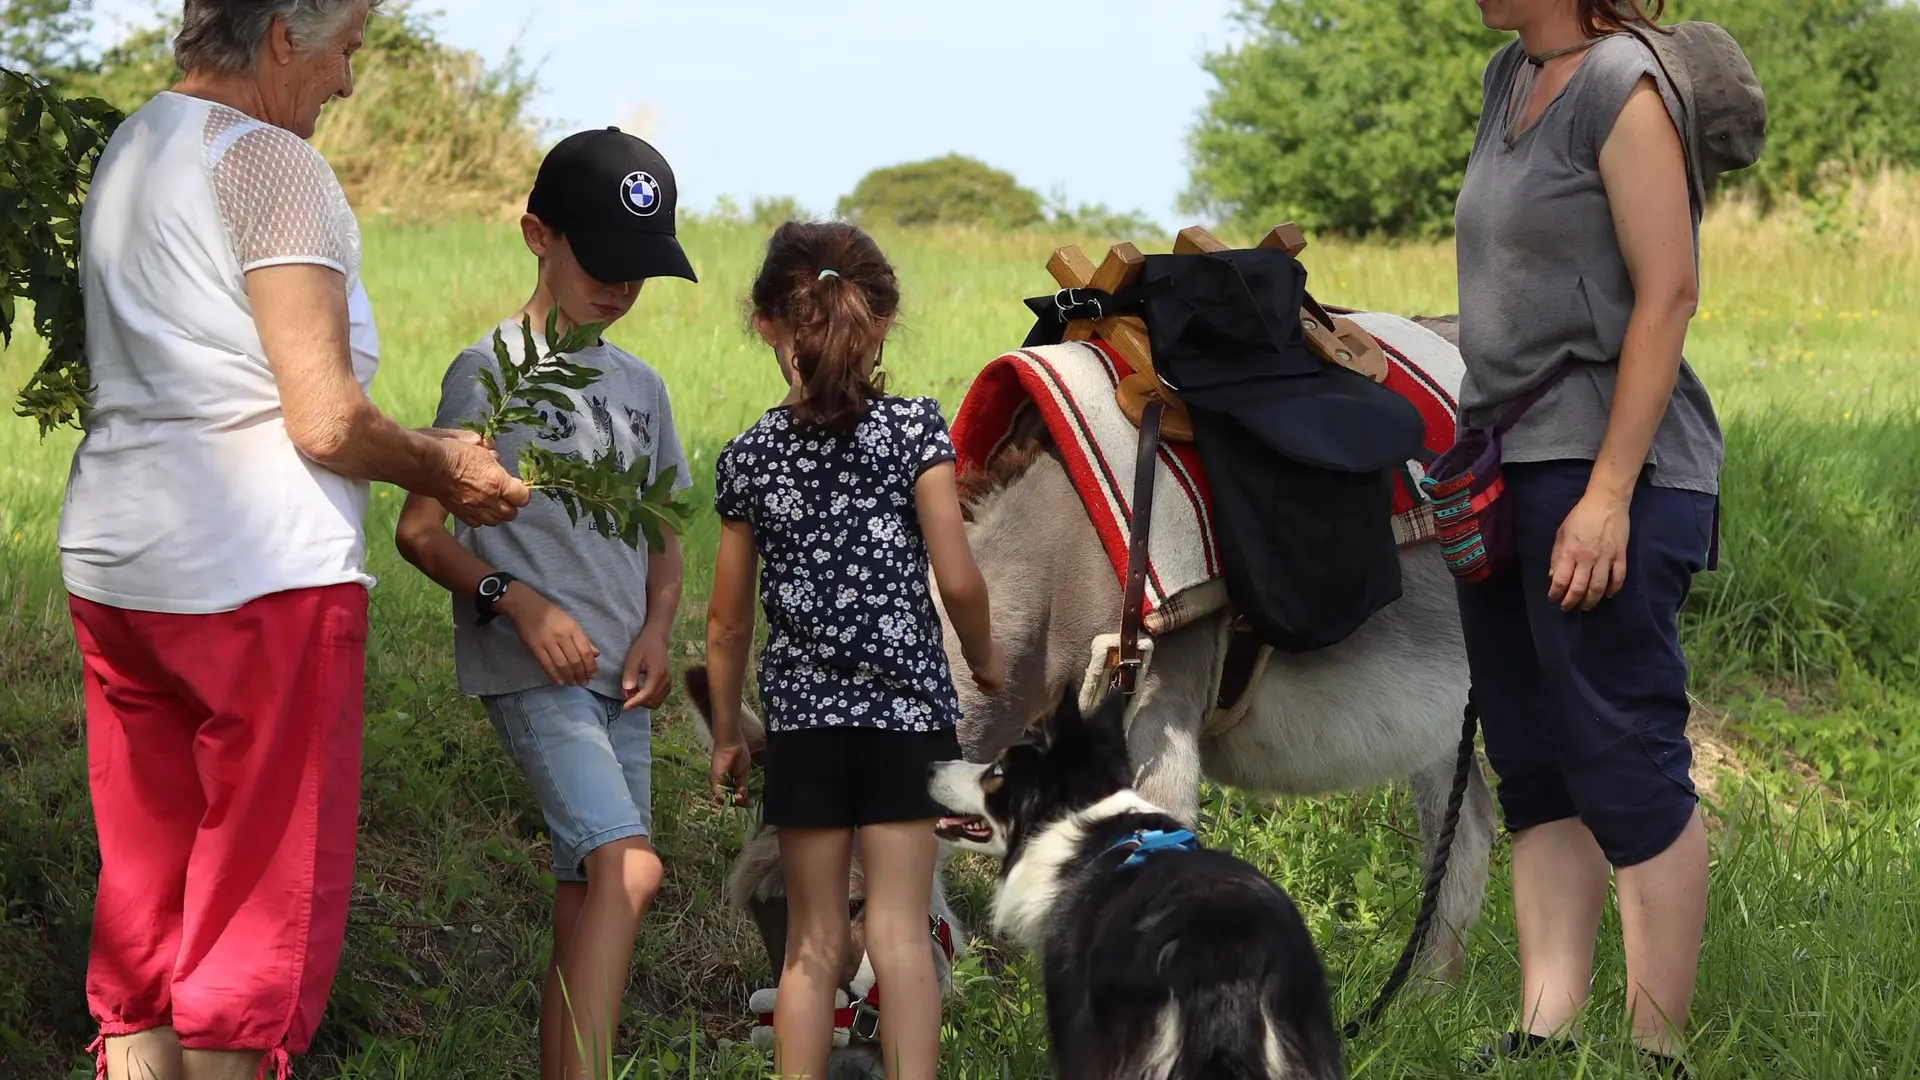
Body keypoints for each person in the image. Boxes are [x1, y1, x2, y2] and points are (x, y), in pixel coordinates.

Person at [57, 3, 529, 1079]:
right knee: (253, 920)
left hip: (117, 567)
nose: (350, 80)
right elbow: (322, 418)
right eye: (347, 48)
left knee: (145, 902)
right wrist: (440, 465)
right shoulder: (270, 164)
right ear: (283, 35)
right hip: (256, 577)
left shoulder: (134, 143)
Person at [393, 126, 698, 1080]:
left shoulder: (642, 388)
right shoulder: (488, 371)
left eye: (639, 269)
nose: (619, 287)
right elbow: (420, 532)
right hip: (535, 674)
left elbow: (665, 534)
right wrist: (516, 603)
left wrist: (656, 630)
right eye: (602, 260)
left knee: (586, 896)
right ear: (538, 235)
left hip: (624, 686)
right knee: (629, 867)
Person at [1453, 0, 1721, 1074]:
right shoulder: (1506, 77)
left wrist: (1607, 495)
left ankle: (1656, 1052)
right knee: (1534, 759)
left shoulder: (1624, 84)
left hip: (1614, 468)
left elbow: (1668, 295)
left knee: (1623, 752)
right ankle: (1547, 1032)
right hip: (1505, 465)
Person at [702, 221, 1005, 1080]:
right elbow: (961, 581)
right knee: (903, 936)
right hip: (908, 719)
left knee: (812, 943)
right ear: (884, 321)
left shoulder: (753, 455)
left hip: (803, 728)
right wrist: (982, 661)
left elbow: (727, 624)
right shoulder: (915, 432)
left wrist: (729, 731)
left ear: (766, 324)